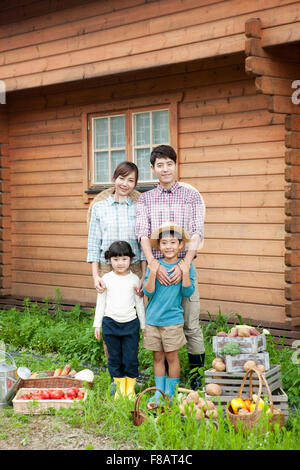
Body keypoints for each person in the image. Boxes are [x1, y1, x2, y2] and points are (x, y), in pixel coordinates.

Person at [135, 145, 206, 390]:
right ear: (153, 169)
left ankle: (197, 374)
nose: (165, 169)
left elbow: (196, 232)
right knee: (159, 321)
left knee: (190, 322)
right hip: (157, 269)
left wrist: (184, 265)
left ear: (176, 165)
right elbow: (143, 234)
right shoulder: (146, 199)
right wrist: (153, 265)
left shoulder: (191, 196)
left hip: (184, 269)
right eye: (160, 165)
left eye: (169, 164)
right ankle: (163, 382)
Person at [87, 161, 147, 363]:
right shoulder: (99, 208)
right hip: (106, 268)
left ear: (135, 184)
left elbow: (143, 244)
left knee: (133, 315)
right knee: (109, 314)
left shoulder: (140, 208)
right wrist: (96, 275)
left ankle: (131, 367)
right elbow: (94, 244)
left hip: (135, 267)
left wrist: (143, 275)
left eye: (131, 180)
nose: (125, 184)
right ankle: (114, 371)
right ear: (114, 178)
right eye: (122, 178)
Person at [142, 223, 195, 406]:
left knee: (172, 357)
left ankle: (171, 394)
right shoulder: (154, 265)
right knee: (158, 357)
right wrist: (153, 272)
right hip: (153, 319)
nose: (168, 246)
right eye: (164, 243)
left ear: (181, 245)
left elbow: (187, 293)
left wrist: (185, 272)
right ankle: (159, 393)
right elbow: (147, 292)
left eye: (173, 242)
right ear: (159, 246)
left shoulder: (185, 266)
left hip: (172, 320)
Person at [93, 240, 145, 399]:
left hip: (130, 324)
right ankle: (118, 387)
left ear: (131, 259)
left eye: (124, 259)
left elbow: (139, 304)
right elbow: (100, 302)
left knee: (130, 358)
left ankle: (130, 388)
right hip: (110, 324)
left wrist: (143, 325)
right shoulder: (106, 278)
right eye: (116, 259)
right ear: (109, 260)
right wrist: (97, 325)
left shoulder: (135, 279)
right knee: (114, 357)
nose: (120, 263)